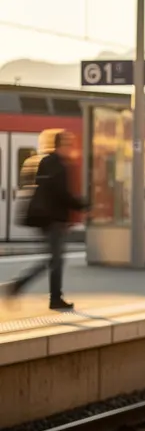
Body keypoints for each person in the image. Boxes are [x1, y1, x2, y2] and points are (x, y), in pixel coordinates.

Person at [4, 130, 88, 311]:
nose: (70, 147)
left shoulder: (39, 161)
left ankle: (29, 289)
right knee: (55, 260)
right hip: (53, 219)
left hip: (43, 217)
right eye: (67, 143)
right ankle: (31, 290)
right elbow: (61, 194)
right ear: (60, 144)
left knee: (53, 259)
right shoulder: (58, 164)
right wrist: (82, 205)